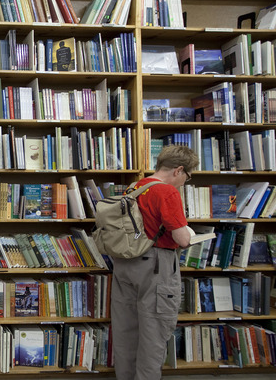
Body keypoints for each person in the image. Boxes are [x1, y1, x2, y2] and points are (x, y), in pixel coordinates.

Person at [111, 145, 198, 380]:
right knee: (153, 333)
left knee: (126, 331)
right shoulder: (167, 193)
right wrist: (191, 238)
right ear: (179, 170)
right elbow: (181, 238)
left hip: (126, 263)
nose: (184, 183)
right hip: (156, 266)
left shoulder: (134, 187)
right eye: (187, 177)